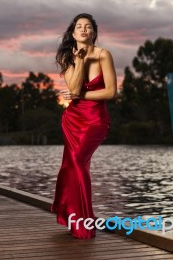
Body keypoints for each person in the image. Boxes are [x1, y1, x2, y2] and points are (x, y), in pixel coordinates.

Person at [51, 13, 117, 239]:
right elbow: (74, 89)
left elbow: (110, 91)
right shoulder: (67, 57)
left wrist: (83, 94)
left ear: (94, 33)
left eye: (88, 27)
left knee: (78, 163)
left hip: (96, 121)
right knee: (72, 167)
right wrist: (80, 60)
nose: (83, 29)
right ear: (72, 32)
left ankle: (84, 224)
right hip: (72, 120)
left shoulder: (103, 55)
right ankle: (76, 219)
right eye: (79, 26)